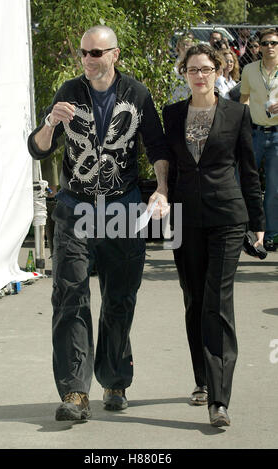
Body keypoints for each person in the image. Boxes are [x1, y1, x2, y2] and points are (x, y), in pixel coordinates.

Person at [27, 25, 169, 421]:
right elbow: (37, 149)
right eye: (84, 53)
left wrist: (161, 188)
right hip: (74, 208)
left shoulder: (137, 94)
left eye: (96, 52)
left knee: (120, 298)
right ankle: (75, 392)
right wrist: (51, 123)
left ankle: (114, 379)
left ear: (115, 55)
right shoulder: (68, 92)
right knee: (70, 294)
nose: (88, 59)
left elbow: (156, 145)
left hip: (122, 208)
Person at [163, 43, 265, 427]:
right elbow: (167, 167)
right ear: (184, 73)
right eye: (193, 69)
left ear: (218, 71)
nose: (200, 75)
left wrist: (257, 222)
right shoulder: (172, 115)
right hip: (182, 218)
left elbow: (249, 169)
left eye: (206, 69)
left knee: (217, 302)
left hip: (227, 216)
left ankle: (219, 401)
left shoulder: (236, 113)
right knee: (193, 299)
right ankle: (202, 381)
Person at [240, 28, 278, 252]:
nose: (270, 47)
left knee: (274, 189)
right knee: (247, 185)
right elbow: (243, 100)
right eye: (265, 43)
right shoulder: (249, 69)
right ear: (260, 47)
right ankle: (248, 232)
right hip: (253, 133)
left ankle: (271, 234)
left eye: (274, 43)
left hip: (276, 135)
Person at [168, 33, 194, 103]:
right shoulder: (171, 60)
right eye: (183, 44)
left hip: (187, 96)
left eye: (188, 45)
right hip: (172, 96)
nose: (185, 47)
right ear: (178, 45)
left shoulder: (194, 62)